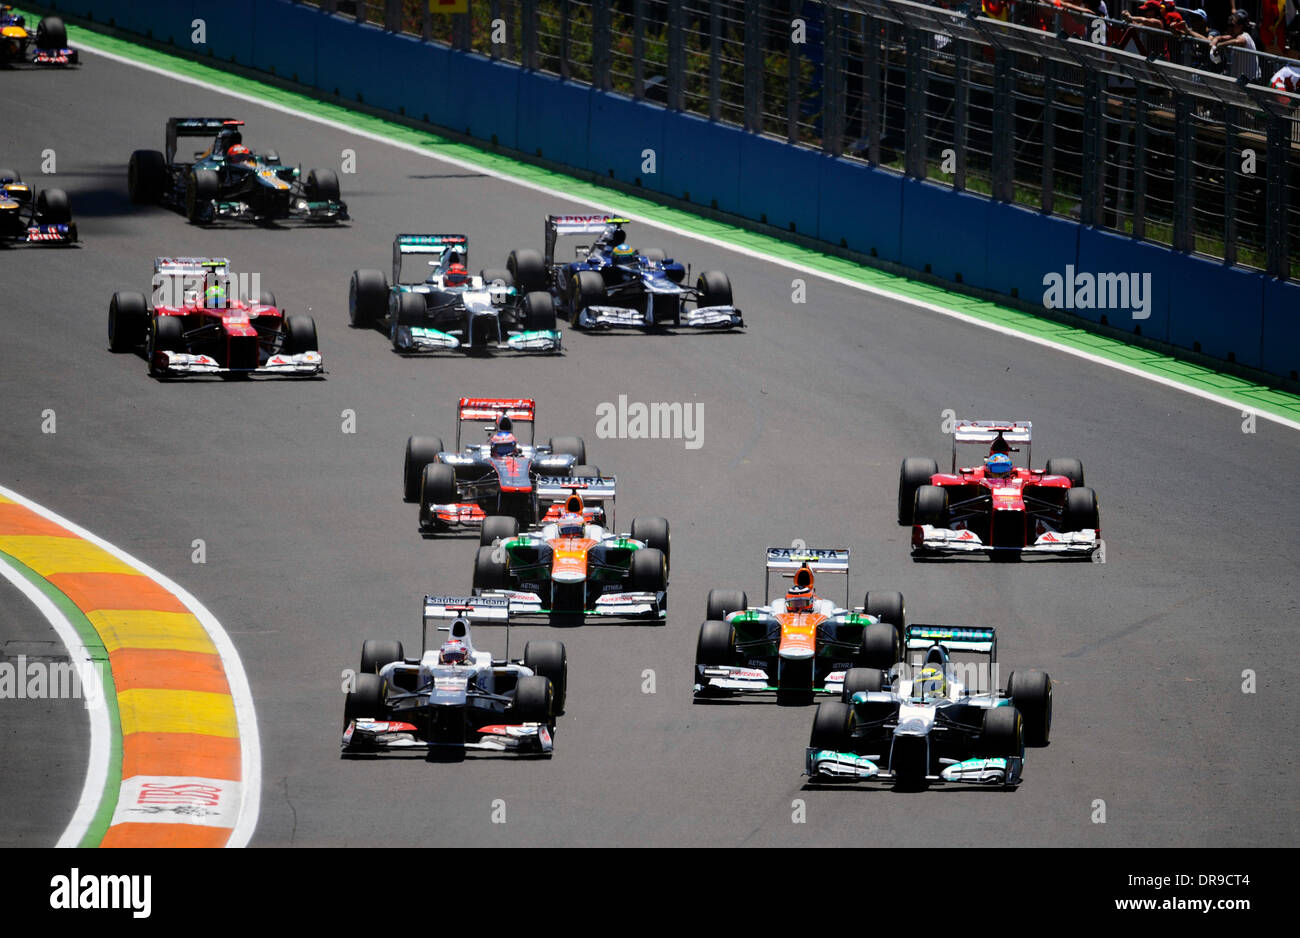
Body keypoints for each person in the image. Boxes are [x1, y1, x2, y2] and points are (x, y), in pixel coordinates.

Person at [1211, 10, 1263, 80]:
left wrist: (1220, 45)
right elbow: (1222, 37)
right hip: (1241, 80)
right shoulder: (1235, 35)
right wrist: (1216, 40)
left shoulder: (1244, 36)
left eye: (1232, 25)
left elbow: (1238, 41)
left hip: (1250, 80)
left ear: (1240, 26)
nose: (1230, 28)